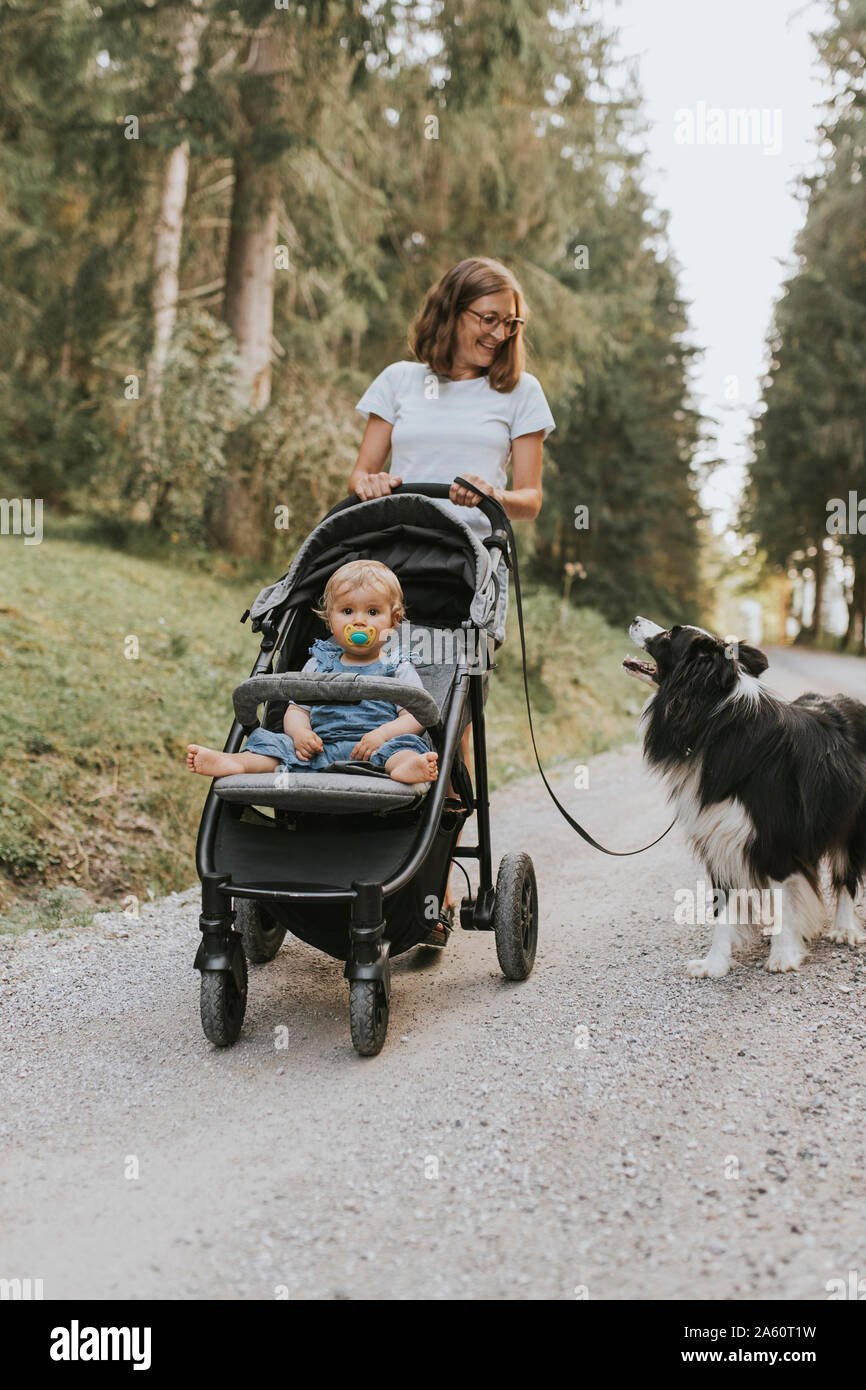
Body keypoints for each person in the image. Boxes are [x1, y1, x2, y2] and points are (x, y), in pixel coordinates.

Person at [347, 256, 556, 919]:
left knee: (445, 715)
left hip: (468, 567)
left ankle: (428, 885)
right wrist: (372, 484)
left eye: (508, 322)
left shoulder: (520, 393)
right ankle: (348, 845)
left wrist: (494, 492)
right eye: (485, 319)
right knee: (362, 693)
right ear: (451, 310)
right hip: (391, 560)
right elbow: (363, 472)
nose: (497, 334)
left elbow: (530, 499)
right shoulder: (400, 381)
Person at [186, 560, 438, 788]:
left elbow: (415, 715)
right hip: (320, 747)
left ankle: (405, 768)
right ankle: (238, 762)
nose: (359, 621)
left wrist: (383, 734)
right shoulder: (319, 662)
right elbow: (297, 709)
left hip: (377, 749)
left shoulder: (397, 666)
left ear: (393, 621)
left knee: (405, 748)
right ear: (329, 618)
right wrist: (300, 734)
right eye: (347, 611)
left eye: (372, 612)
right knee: (276, 745)